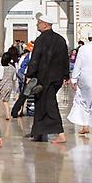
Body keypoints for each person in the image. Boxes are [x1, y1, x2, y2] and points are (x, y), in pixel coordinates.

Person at [26, 12, 70, 143]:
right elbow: (65, 59)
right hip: (56, 78)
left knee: (49, 104)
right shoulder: (60, 39)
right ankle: (38, 133)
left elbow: (35, 59)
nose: (37, 25)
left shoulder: (41, 40)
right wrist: (65, 75)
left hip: (45, 78)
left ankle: (61, 134)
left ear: (45, 25)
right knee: (40, 103)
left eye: (39, 23)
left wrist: (30, 74)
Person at [68, 27, 92, 136]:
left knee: (83, 102)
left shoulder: (83, 49)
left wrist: (73, 79)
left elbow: (78, 64)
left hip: (85, 79)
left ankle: (85, 126)